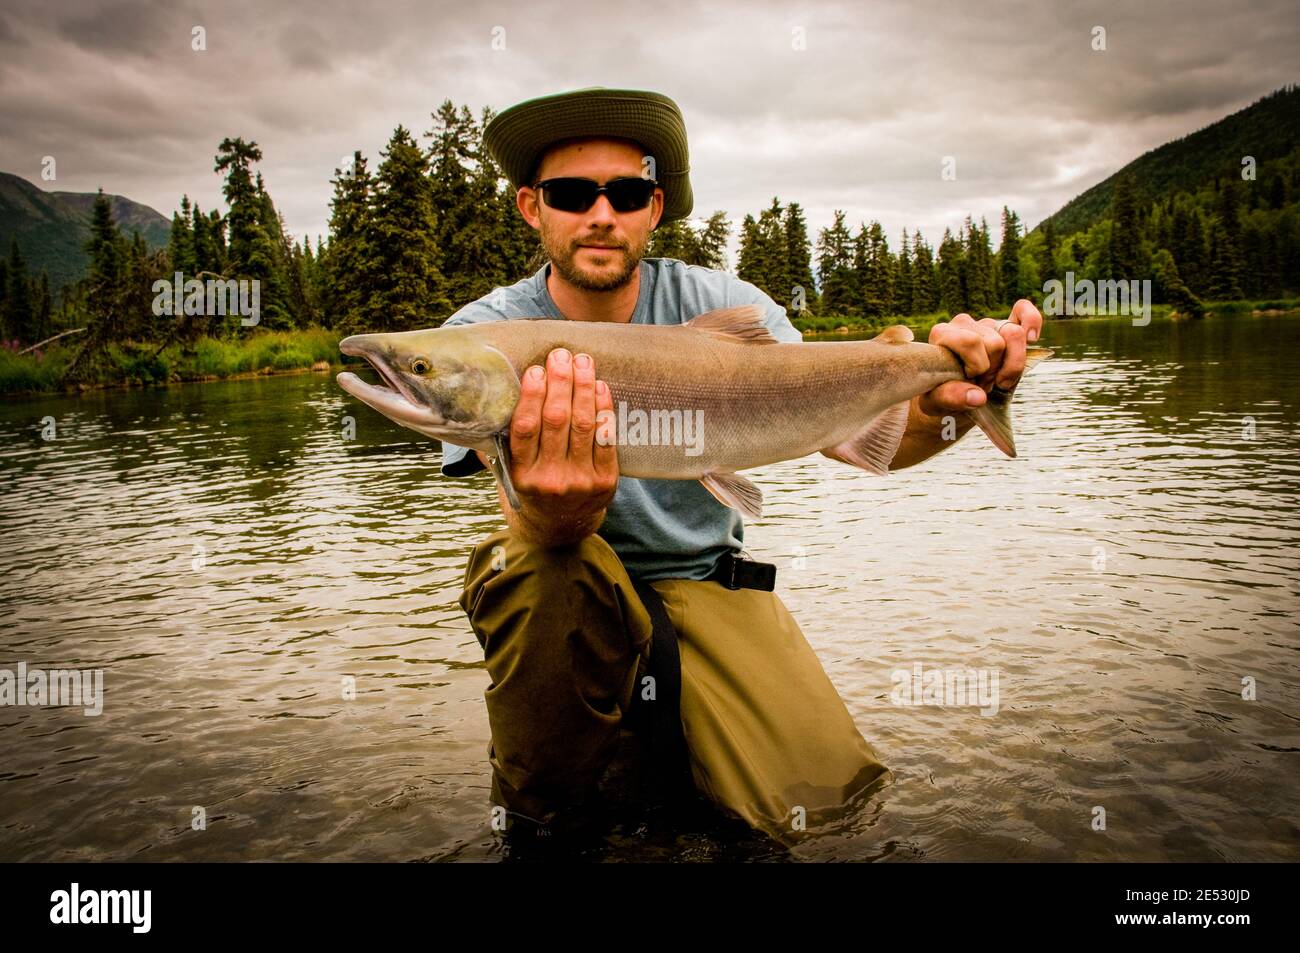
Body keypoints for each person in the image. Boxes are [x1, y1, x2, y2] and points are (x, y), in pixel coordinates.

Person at [440, 87, 1043, 845]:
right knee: (533, 568)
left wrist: (957, 399)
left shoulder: (727, 303)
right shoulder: (481, 337)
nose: (601, 214)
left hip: (706, 580)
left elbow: (872, 439)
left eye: (626, 193)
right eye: (571, 193)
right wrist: (560, 514)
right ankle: (548, 823)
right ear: (532, 207)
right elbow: (531, 529)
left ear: (654, 207)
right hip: (567, 576)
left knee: (830, 813)